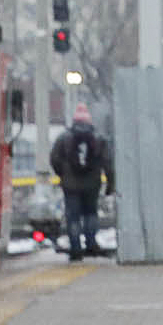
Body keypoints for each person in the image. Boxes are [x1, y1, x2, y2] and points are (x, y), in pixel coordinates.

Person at [48, 103, 114, 261]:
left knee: (73, 217)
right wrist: (111, 182)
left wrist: (62, 174)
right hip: (92, 184)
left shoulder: (64, 138)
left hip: (71, 185)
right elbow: (108, 162)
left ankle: (76, 249)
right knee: (91, 214)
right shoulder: (98, 139)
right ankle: (91, 244)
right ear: (89, 121)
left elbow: (54, 159)